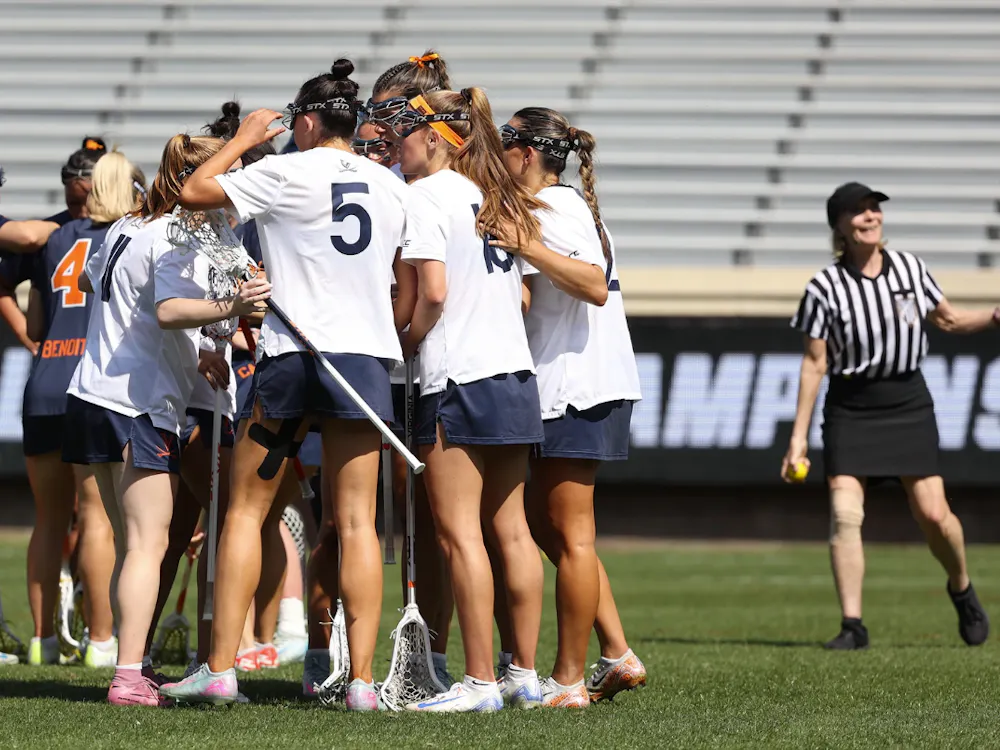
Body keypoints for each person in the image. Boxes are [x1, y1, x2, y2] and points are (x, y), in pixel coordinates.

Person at [161, 58, 407, 710]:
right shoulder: (388, 183)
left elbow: (192, 193)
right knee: (357, 521)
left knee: (245, 509)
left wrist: (243, 141)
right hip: (361, 360)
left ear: (304, 122)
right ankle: (360, 684)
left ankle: (220, 671)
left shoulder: (283, 168)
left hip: (292, 355)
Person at [63, 132, 270, 706]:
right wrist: (234, 307)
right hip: (138, 404)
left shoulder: (126, 225)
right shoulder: (177, 233)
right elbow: (169, 308)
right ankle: (129, 675)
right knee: (148, 546)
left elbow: (104, 291)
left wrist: (198, 350)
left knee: (133, 546)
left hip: (91, 394)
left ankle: (135, 662)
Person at [783, 182, 992, 650]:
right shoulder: (824, 287)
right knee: (845, 514)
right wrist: (798, 437)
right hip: (851, 404)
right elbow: (815, 363)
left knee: (935, 515)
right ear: (839, 226)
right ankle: (853, 625)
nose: (870, 216)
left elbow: (950, 321)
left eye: (873, 208)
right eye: (857, 211)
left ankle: (960, 585)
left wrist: (995, 317)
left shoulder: (911, 269)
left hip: (907, 400)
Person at [396, 88, 547, 713]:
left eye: (402, 133)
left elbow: (431, 293)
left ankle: (481, 681)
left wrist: (403, 341)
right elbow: (522, 299)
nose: (393, 146)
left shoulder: (424, 196)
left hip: (457, 377)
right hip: (513, 375)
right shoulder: (493, 193)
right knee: (513, 531)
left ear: (435, 137)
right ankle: (524, 676)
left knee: (461, 536)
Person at [491, 107, 647, 706]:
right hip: (582, 383)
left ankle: (568, 679)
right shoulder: (566, 208)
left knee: (571, 535)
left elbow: (590, 284)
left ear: (526, 154)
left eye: (506, 147)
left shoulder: (555, 208)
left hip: (577, 386)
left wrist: (527, 244)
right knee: (547, 526)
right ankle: (616, 651)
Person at [19, 151, 146, 668]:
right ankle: (99, 643)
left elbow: (34, 325)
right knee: (97, 519)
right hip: (89, 386)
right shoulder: (129, 237)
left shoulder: (52, 237)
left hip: (44, 381)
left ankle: (43, 640)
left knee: (48, 520)